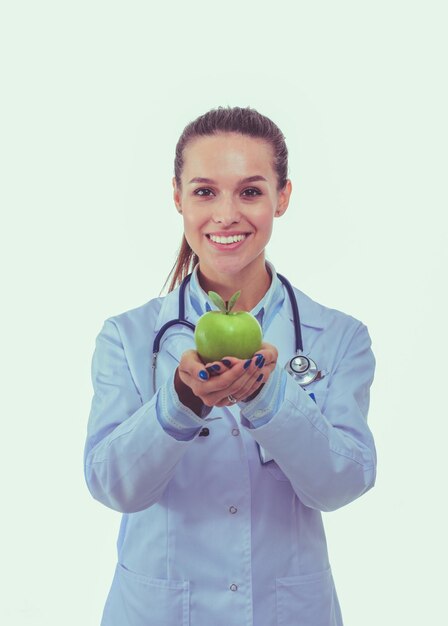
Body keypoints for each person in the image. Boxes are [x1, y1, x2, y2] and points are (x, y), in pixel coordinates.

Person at [84, 106, 377, 626]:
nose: (226, 215)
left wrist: (270, 399)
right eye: (203, 191)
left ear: (281, 198)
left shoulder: (339, 337)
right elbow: (113, 486)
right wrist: (180, 402)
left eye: (250, 191)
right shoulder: (128, 338)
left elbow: (343, 482)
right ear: (176, 196)